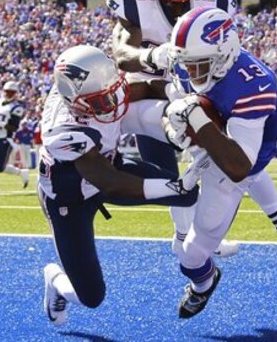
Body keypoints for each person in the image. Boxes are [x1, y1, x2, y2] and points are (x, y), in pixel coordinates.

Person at [162, 7, 277, 319]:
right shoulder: (193, 61)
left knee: (190, 256)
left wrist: (195, 119)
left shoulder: (250, 85)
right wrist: (174, 121)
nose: (190, 73)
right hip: (219, 134)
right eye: (187, 65)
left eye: (198, 65)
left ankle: (204, 284)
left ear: (224, 52)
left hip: (247, 150)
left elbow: (240, 165)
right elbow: (178, 97)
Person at [39, 45, 199, 326]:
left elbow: (145, 88)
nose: (114, 102)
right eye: (102, 100)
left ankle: (191, 243)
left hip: (109, 165)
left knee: (189, 196)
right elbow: (109, 184)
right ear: (76, 102)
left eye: (115, 90)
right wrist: (174, 188)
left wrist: (183, 96)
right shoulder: (63, 130)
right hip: (71, 199)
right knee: (92, 297)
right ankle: (55, 280)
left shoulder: (97, 85)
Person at [107, 0, 240, 257]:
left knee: (215, 164)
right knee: (167, 176)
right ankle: (184, 235)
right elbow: (121, 52)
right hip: (147, 93)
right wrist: (152, 56)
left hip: (195, 90)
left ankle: (201, 237)